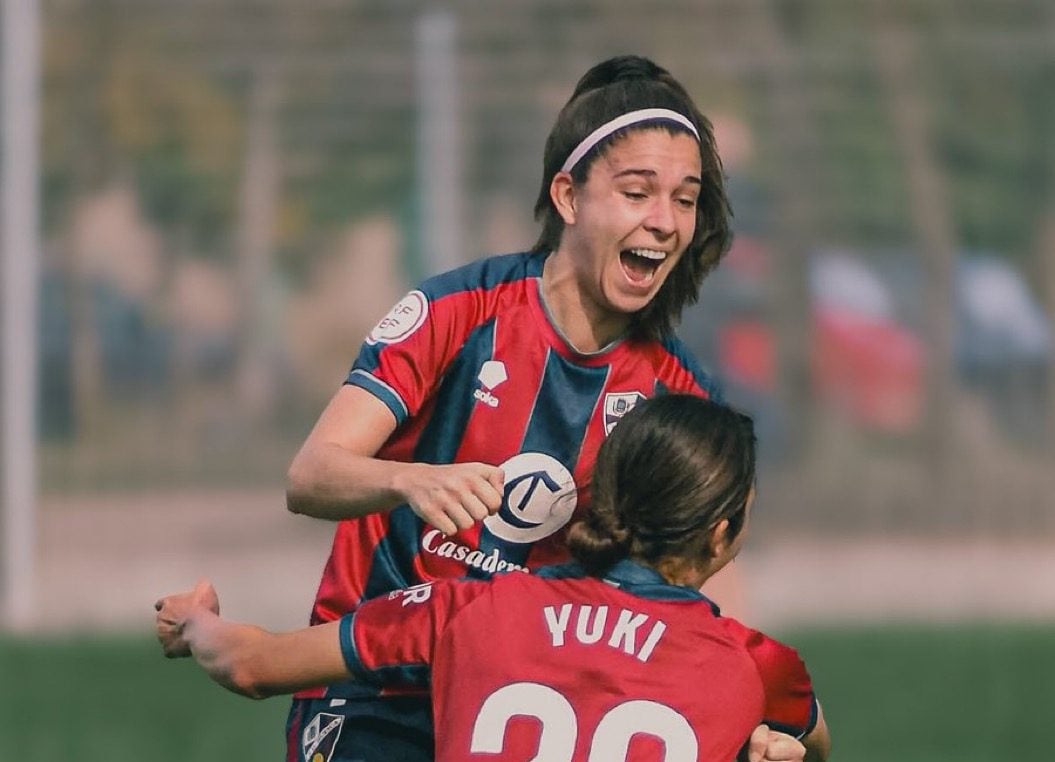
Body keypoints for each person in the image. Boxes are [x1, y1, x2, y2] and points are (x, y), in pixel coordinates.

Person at [282, 54, 769, 760]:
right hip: (374, 691)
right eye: (637, 192)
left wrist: (751, 714)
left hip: (520, 707)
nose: (664, 221)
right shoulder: (458, 312)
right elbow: (311, 476)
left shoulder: (676, 393)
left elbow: (708, 576)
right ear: (568, 198)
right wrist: (411, 480)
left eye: (686, 199)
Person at [158, 395, 830, 761]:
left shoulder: (469, 607)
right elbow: (813, 745)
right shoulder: (756, 665)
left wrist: (195, 620)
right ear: (722, 531)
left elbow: (251, 665)